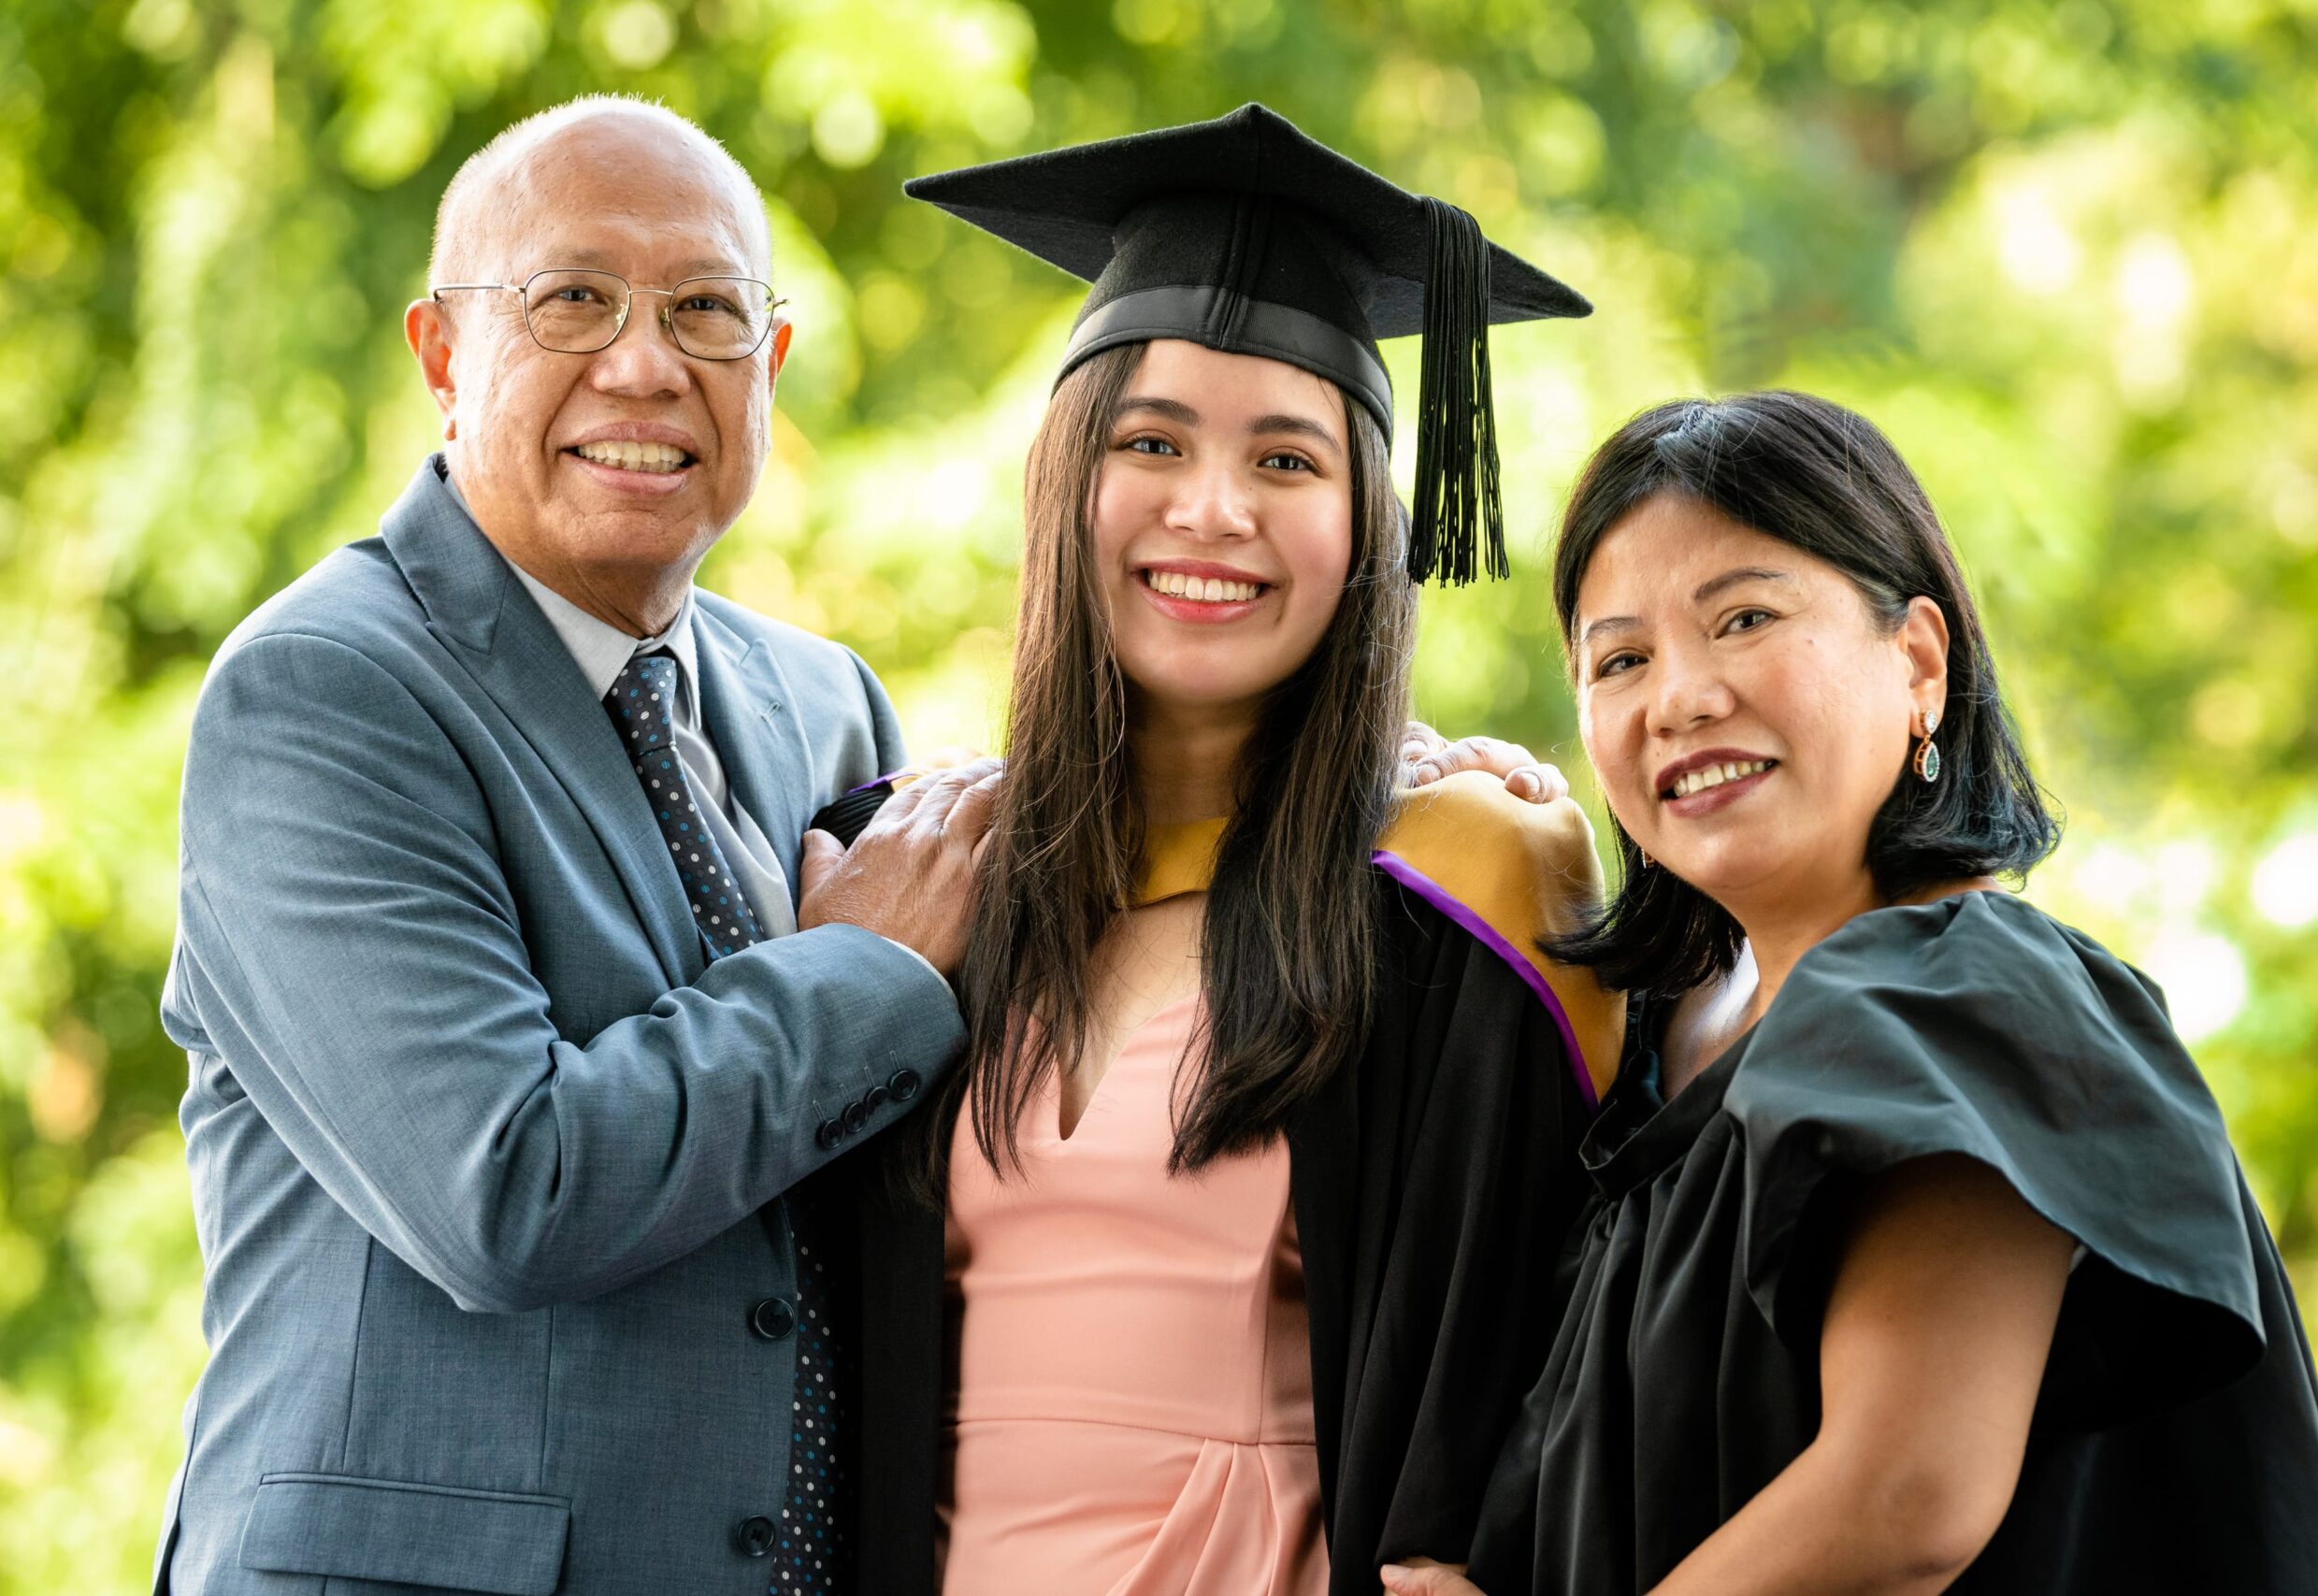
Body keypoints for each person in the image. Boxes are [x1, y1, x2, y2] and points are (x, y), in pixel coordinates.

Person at [152, 93, 1556, 1596]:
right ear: (442, 356)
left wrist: (1361, 767)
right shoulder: (325, 693)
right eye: (572, 299)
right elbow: (510, 1188)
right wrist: (858, 970)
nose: (643, 363)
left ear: (768, 369)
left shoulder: (815, 710)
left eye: (704, 309)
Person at [1381, 392, 2318, 1596]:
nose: (1678, 697)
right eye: (1621, 659)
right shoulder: (1667, 1056)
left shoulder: (1964, 990)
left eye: (1744, 617)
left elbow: (1906, 1499)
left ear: (1916, 660)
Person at [827, 105, 1625, 1596]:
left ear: (1368, 525)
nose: (1213, 511)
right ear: (1069, 483)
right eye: (1153, 441)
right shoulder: (934, 875)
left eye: (1287, 460)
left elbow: (1536, 1368)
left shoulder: (1462, 886)